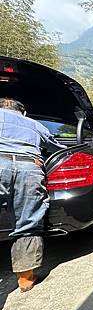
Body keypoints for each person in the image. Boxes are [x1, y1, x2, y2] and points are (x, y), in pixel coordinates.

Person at [0, 97, 65, 291]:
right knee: (27, 222)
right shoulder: (34, 124)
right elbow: (57, 149)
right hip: (29, 168)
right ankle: (26, 278)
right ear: (23, 112)